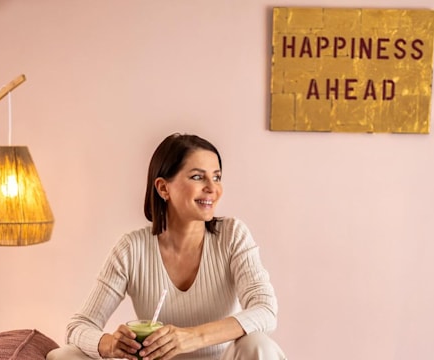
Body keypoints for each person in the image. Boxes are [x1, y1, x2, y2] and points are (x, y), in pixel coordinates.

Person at [48, 133, 286, 360]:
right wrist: (109, 344)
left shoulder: (233, 235)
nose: (212, 188)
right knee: (63, 355)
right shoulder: (131, 249)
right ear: (163, 188)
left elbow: (265, 309)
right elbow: (78, 326)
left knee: (258, 345)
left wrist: (191, 337)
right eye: (197, 177)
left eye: (216, 176)